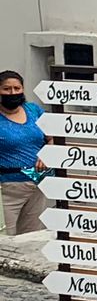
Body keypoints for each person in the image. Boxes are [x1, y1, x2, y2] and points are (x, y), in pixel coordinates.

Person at [1, 71, 48, 235]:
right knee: (6, 238)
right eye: (6, 89)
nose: (12, 93)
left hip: (38, 182)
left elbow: (54, 136)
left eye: (16, 88)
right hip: (7, 187)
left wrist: (47, 153)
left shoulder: (34, 110)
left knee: (32, 236)